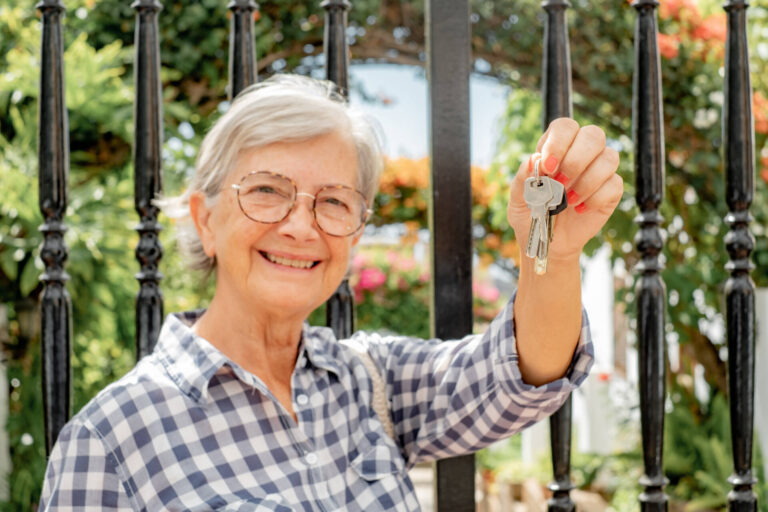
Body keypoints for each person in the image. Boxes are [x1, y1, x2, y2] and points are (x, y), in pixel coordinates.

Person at [40, 74, 622, 511]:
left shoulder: (369, 382)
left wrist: (552, 252)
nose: (301, 225)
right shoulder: (109, 441)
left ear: (356, 233)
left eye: (334, 201)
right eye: (267, 191)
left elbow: (522, 374)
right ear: (204, 219)